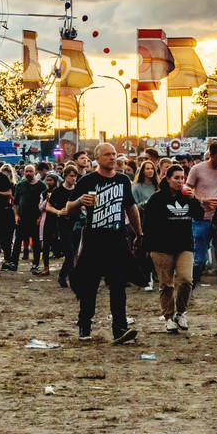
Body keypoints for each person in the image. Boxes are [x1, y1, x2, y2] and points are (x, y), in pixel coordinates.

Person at [65, 142, 141, 343]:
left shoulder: (123, 180)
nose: (112, 158)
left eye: (114, 154)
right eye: (107, 154)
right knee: (90, 285)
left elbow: (131, 208)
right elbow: (69, 207)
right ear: (97, 159)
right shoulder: (87, 181)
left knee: (118, 284)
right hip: (94, 239)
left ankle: (120, 328)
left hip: (116, 238)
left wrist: (139, 233)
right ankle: (84, 325)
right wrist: (81, 201)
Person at [142, 164, 204, 333]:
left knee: (186, 280)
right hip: (161, 246)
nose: (180, 181)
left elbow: (200, 215)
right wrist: (146, 247)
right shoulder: (157, 199)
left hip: (184, 245)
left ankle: (181, 312)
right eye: (176, 178)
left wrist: (194, 199)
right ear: (167, 179)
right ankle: (169, 317)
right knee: (166, 284)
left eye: (182, 178)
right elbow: (147, 224)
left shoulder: (187, 197)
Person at [185, 140, 217, 304]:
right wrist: (202, 200)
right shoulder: (197, 169)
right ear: (210, 155)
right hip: (201, 219)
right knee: (198, 259)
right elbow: (187, 190)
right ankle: (189, 289)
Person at [45, 164, 80, 289]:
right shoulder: (58, 191)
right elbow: (48, 207)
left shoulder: (78, 190)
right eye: (71, 176)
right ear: (65, 176)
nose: (73, 178)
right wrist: (59, 212)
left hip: (77, 224)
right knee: (69, 253)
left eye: (75, 176)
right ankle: (63, 275)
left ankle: (72, 276)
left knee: (76, 252)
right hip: (63, 225)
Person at [12, 164, 46, 274]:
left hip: (35, 218)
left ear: (35, 172)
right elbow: (15, 203)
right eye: (26, 171)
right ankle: (14, 262)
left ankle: (36, 263)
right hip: (22, 217)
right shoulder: (20, 185)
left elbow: (45, 203)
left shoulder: (41, 186)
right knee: (18, 241)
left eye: (30, 171)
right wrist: (16, 215)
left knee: (36, 242)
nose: (28, 173)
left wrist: (40, 217)